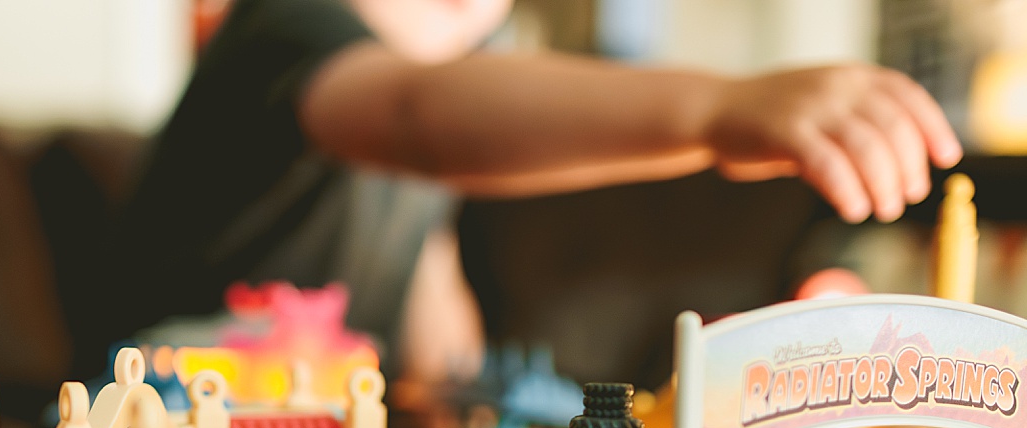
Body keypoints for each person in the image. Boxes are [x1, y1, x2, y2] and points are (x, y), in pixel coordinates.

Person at [106, 0, 963, 384]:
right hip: (169, 403)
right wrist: (718, 108)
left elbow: (427, 278)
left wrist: (478, 424)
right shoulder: (286, 25)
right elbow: (415, 112)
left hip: (323, 414)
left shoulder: (422, 131)